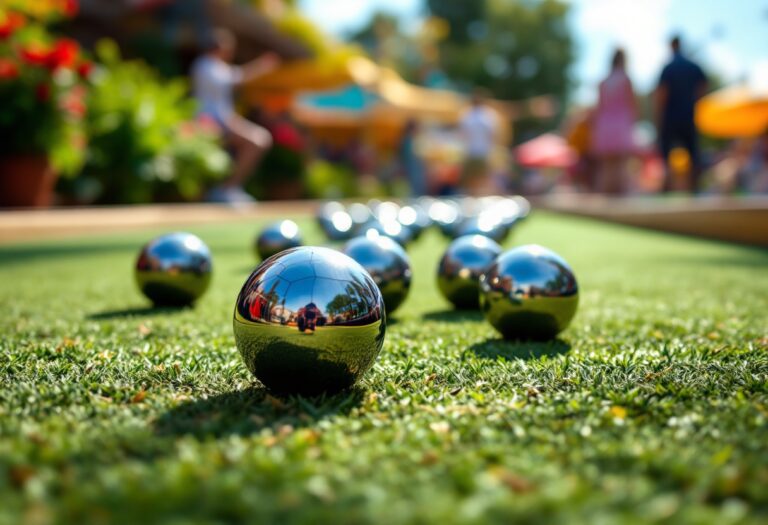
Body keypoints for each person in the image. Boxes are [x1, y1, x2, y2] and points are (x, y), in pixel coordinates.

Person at [192, 28, 280, 204]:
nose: (231, 53)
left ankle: (227, 188)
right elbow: (236, 78)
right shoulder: (206, 65)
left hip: (221, 121)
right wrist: (261, 66)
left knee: (258, 141)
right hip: (212, 122)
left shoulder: (215, 66)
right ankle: (227, 188)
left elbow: (235, 75)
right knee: (258, 140)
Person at [655, 35, 708, 192]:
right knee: (693, 156)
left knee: (666, 156)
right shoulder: (693, 66)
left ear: (671, 46)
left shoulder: (668, 68)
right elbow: (703, 87)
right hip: (689, 116)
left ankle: (667, 189)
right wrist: (696, 103)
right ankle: (694, 190)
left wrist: (659, 120)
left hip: (671, 118)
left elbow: (661, 96)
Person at [591, 49, 636, 194]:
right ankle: (620, 200)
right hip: (620, 124)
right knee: (621, 164)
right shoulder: (625, 79)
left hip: (605, 125)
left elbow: (599, 107)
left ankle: (604, 199)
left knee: (606, 166)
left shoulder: (604, 81)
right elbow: (631, 104)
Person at [460, 90, 498, 195]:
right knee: (483, 180)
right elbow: (493, 135)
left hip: (471, 152)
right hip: (483, 152)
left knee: (471, 182)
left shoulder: (466, 115)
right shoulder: (489, 115)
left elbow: (463, 135)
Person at [399, 119, 427, 196]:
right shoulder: (408, 140)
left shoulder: (410, 140)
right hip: (412, 170)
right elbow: (408, 157)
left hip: (413, 170)